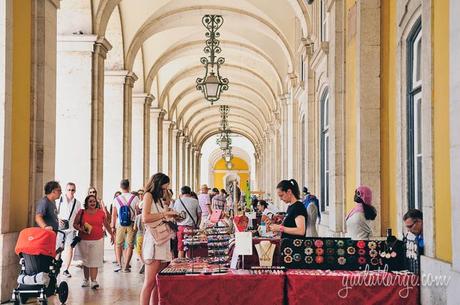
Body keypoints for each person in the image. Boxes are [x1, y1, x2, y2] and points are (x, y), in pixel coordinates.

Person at [140, 173, 179, 305]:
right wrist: (165, 214)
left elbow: (161, 216)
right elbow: (145, 217)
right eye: (163, 189)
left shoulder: (158, 199)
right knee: (149, 282)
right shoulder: (148, 196)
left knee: (158, 281)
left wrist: (171, 215)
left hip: (163, 241)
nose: (165, 191)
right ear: (157, 185)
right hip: (154, 241)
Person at [74, 194, 113, 289]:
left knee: (95, 260)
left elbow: (106, 224)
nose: (92, 203)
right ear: (87, 203)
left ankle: (94, 281)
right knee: (86, 261)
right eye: (90, 201)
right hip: (84, 240)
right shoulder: (81, 212)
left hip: (97, 240)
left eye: (94, 201)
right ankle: (86, 280)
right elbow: (75, 224)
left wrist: (112, 234)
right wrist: (81, 228)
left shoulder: (100, 213)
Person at [111, 179, 139, 273]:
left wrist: (112, 226)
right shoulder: (135, 198)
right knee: (130, 245)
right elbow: (138, 212)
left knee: (118, 245)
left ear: (121, 186)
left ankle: (119, 264)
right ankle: (126, 266)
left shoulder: (116, 199)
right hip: (131, 223)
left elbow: (114, 214)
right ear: (129, 186)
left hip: (120, 224)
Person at [56, 182, 82, 278]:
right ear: (65, 190)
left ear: (75, 191)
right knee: (58, 249)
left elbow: (79, 217)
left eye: (72, 190)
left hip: (71, 229)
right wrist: (58, 220)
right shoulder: (59, 200)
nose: (71, 191)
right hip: (60, 229)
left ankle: (66, 269)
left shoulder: (77, 203)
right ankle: (56, 267)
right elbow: (54, 213)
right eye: (69, 189)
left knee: (70, 248)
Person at [173, 186, 201, 258]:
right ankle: (190, 265)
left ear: (181, 192)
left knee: (181, 248)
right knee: (190, 248)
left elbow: (174, 214)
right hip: (190, 228)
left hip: (180, 228)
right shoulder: (195, 201)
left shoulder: (177, 201)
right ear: (190, 192)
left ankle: (181, 265)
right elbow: (199, 215)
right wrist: (197, 225)